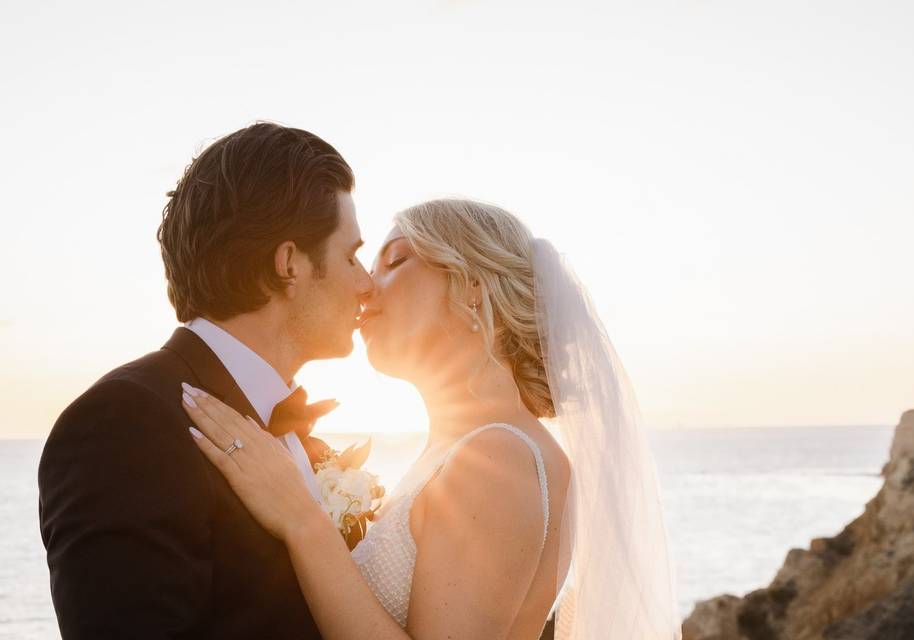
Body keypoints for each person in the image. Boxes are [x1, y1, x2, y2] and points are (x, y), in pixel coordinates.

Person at [184, 199, 682, 639]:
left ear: (471, 288)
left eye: (394, 262)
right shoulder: (475, 450)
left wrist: (301, 520)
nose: (364, 288)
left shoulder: (499, 457)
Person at [38, 122, 372, 639]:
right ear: (289, 264)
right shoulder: (126, 423)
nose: (365, 283)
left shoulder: (296, 437)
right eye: (351, 256)